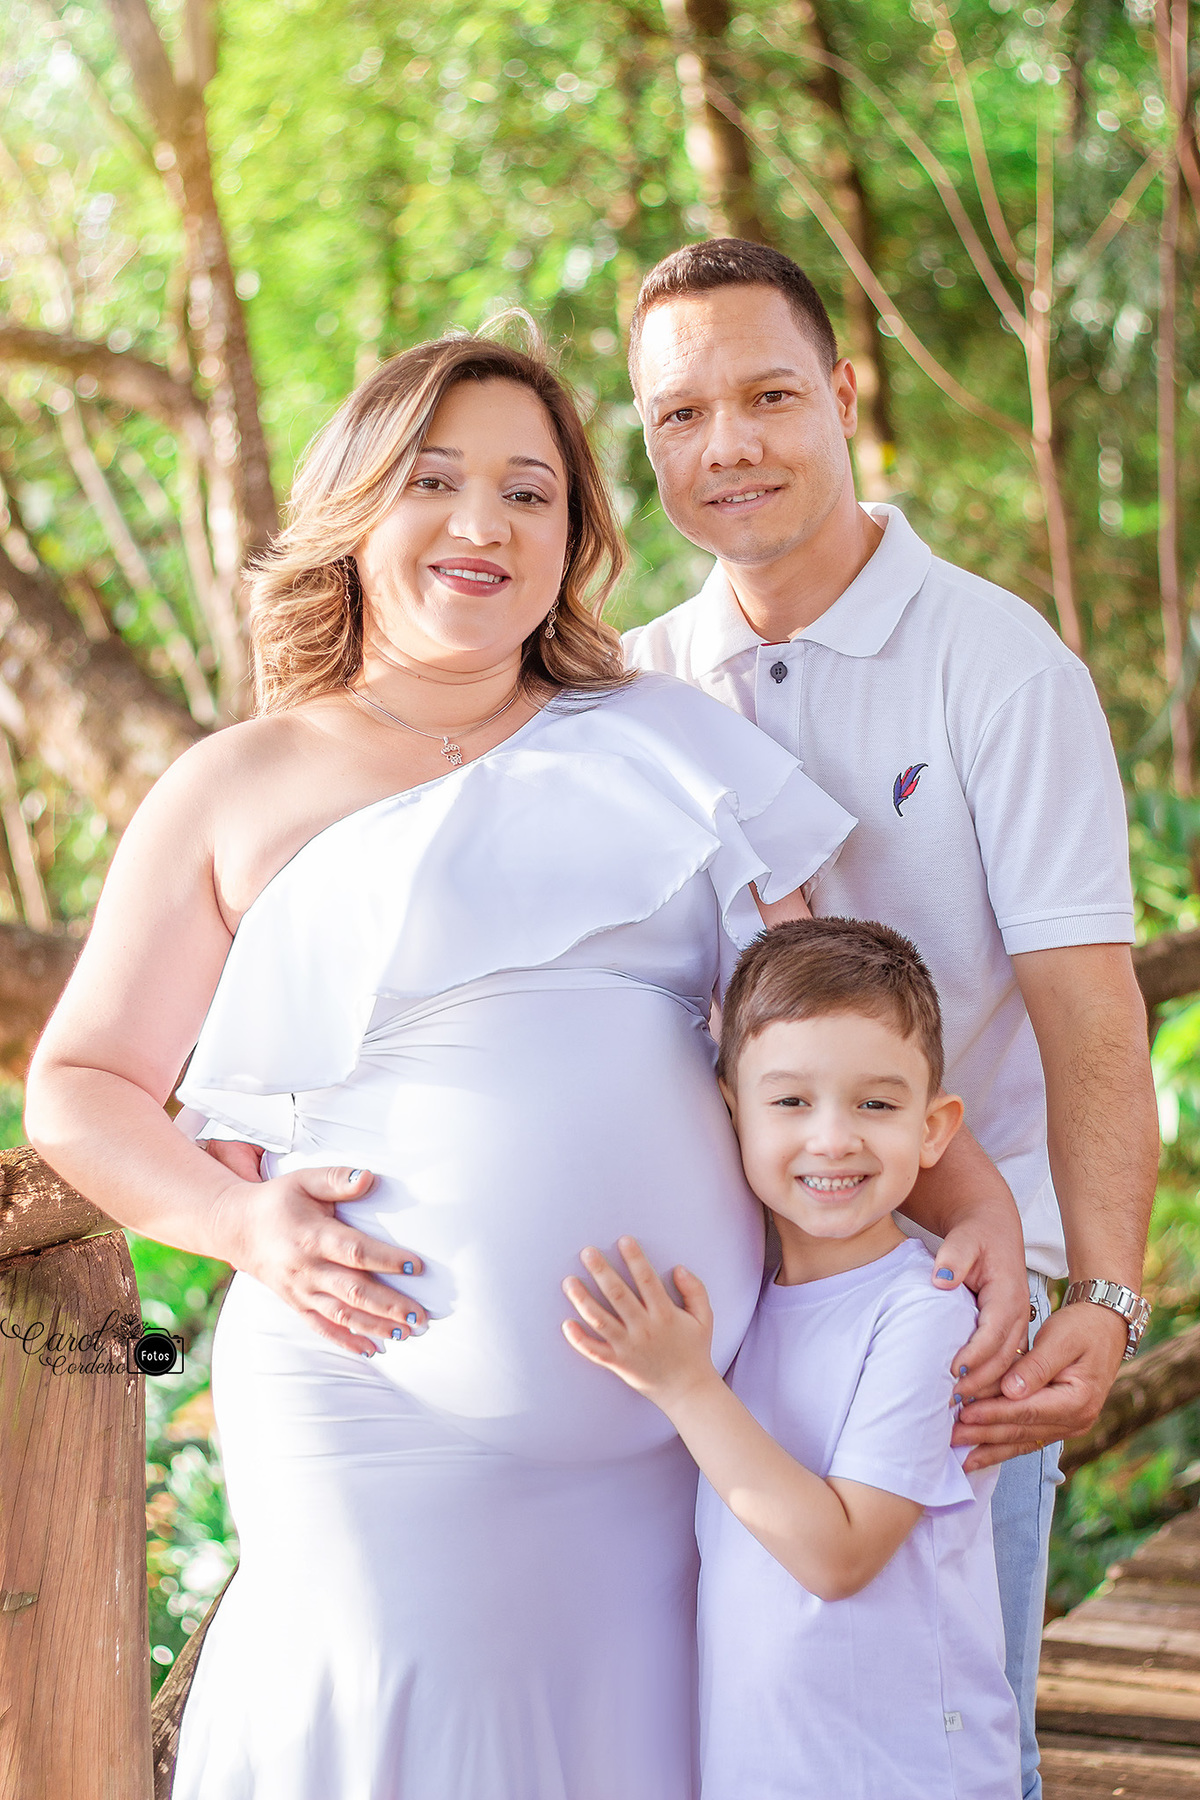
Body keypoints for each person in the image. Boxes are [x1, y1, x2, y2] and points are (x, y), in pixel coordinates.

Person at [26, 333, 864, 1798]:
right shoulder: (236, 785)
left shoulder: (673, 740)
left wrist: (975, 1221)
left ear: (571, 540)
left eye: (529, 493)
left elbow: (844, 1030)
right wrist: (239, 1223)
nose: (484, 523)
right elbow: (80, 1086)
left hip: (685, 1438)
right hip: (374, 1416)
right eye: (435, 481)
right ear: (357, 510)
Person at [621, 238, 1160, 1799]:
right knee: (747, 1717)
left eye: (770, 396)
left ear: (846, 395)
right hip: (726, 1312)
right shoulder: (641, 687)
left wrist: (1101, 1298)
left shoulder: (999, 665)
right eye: (680, 415)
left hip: (950, 1305)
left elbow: (1092, 1016)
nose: (728, 445)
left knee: (943, 1723)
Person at [563, 916, 1022, 1799]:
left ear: (935, 1129)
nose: (834, 1138)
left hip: (905, 1778)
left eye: (876, 1105)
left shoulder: (923, 1314)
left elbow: (839, 1556)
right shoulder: (747, 1306)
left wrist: (684, 1384)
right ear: (730, 1112)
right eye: (791, 1102)